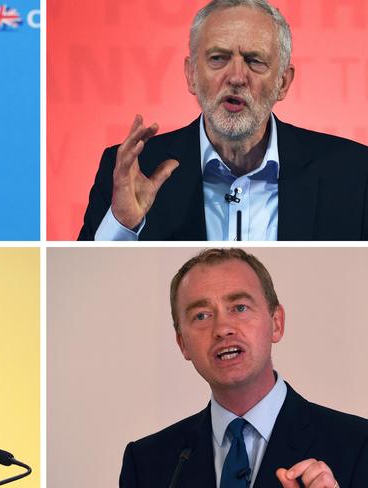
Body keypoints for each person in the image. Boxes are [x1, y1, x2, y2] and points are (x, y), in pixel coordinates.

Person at [79, 0, 368, 241]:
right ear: (191, 74)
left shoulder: (353, 173)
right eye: (218, 58)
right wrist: (123, 226)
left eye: (255, 60)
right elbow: (84, 294)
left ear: (283, 82)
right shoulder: (132, 171)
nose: (236, 77)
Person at [119, 248, 368, 487]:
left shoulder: (357, 445)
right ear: (183, 344)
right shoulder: (146, 462)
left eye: (239, 308)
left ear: (276, 323)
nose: (222, 329)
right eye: (202, 316)